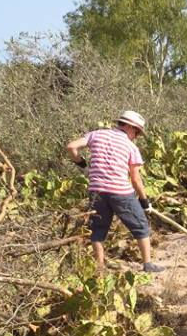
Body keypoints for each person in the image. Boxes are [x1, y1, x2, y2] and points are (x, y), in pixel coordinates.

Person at [65, 110, 164, 273]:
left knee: (98, 229)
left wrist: (83, 166)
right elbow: (135, 179)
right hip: (120, 192)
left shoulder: (96, 134)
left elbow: (71, 147)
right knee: (141, 225)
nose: (137, 136)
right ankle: (148, 264)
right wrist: (145, 202)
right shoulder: (131, 147)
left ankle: (100, 268)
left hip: (96, 191)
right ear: (131, 128)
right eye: (137, 132)